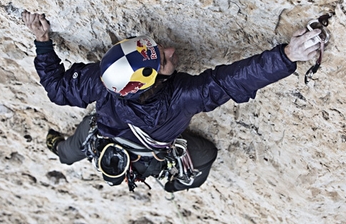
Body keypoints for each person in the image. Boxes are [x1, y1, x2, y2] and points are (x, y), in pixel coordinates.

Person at [22, 10, 322, 193]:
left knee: (70, 149)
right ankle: (175, 185)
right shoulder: (181, 97)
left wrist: (42, 41)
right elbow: (232, 81)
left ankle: (59, 149)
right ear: (153, 82)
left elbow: (57, 89)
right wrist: (287, 56)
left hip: (96, 135)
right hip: (147, 159)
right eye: (163, 60)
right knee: (205, 154)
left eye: (157, 49)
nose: (168, 50)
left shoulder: (103, 80)